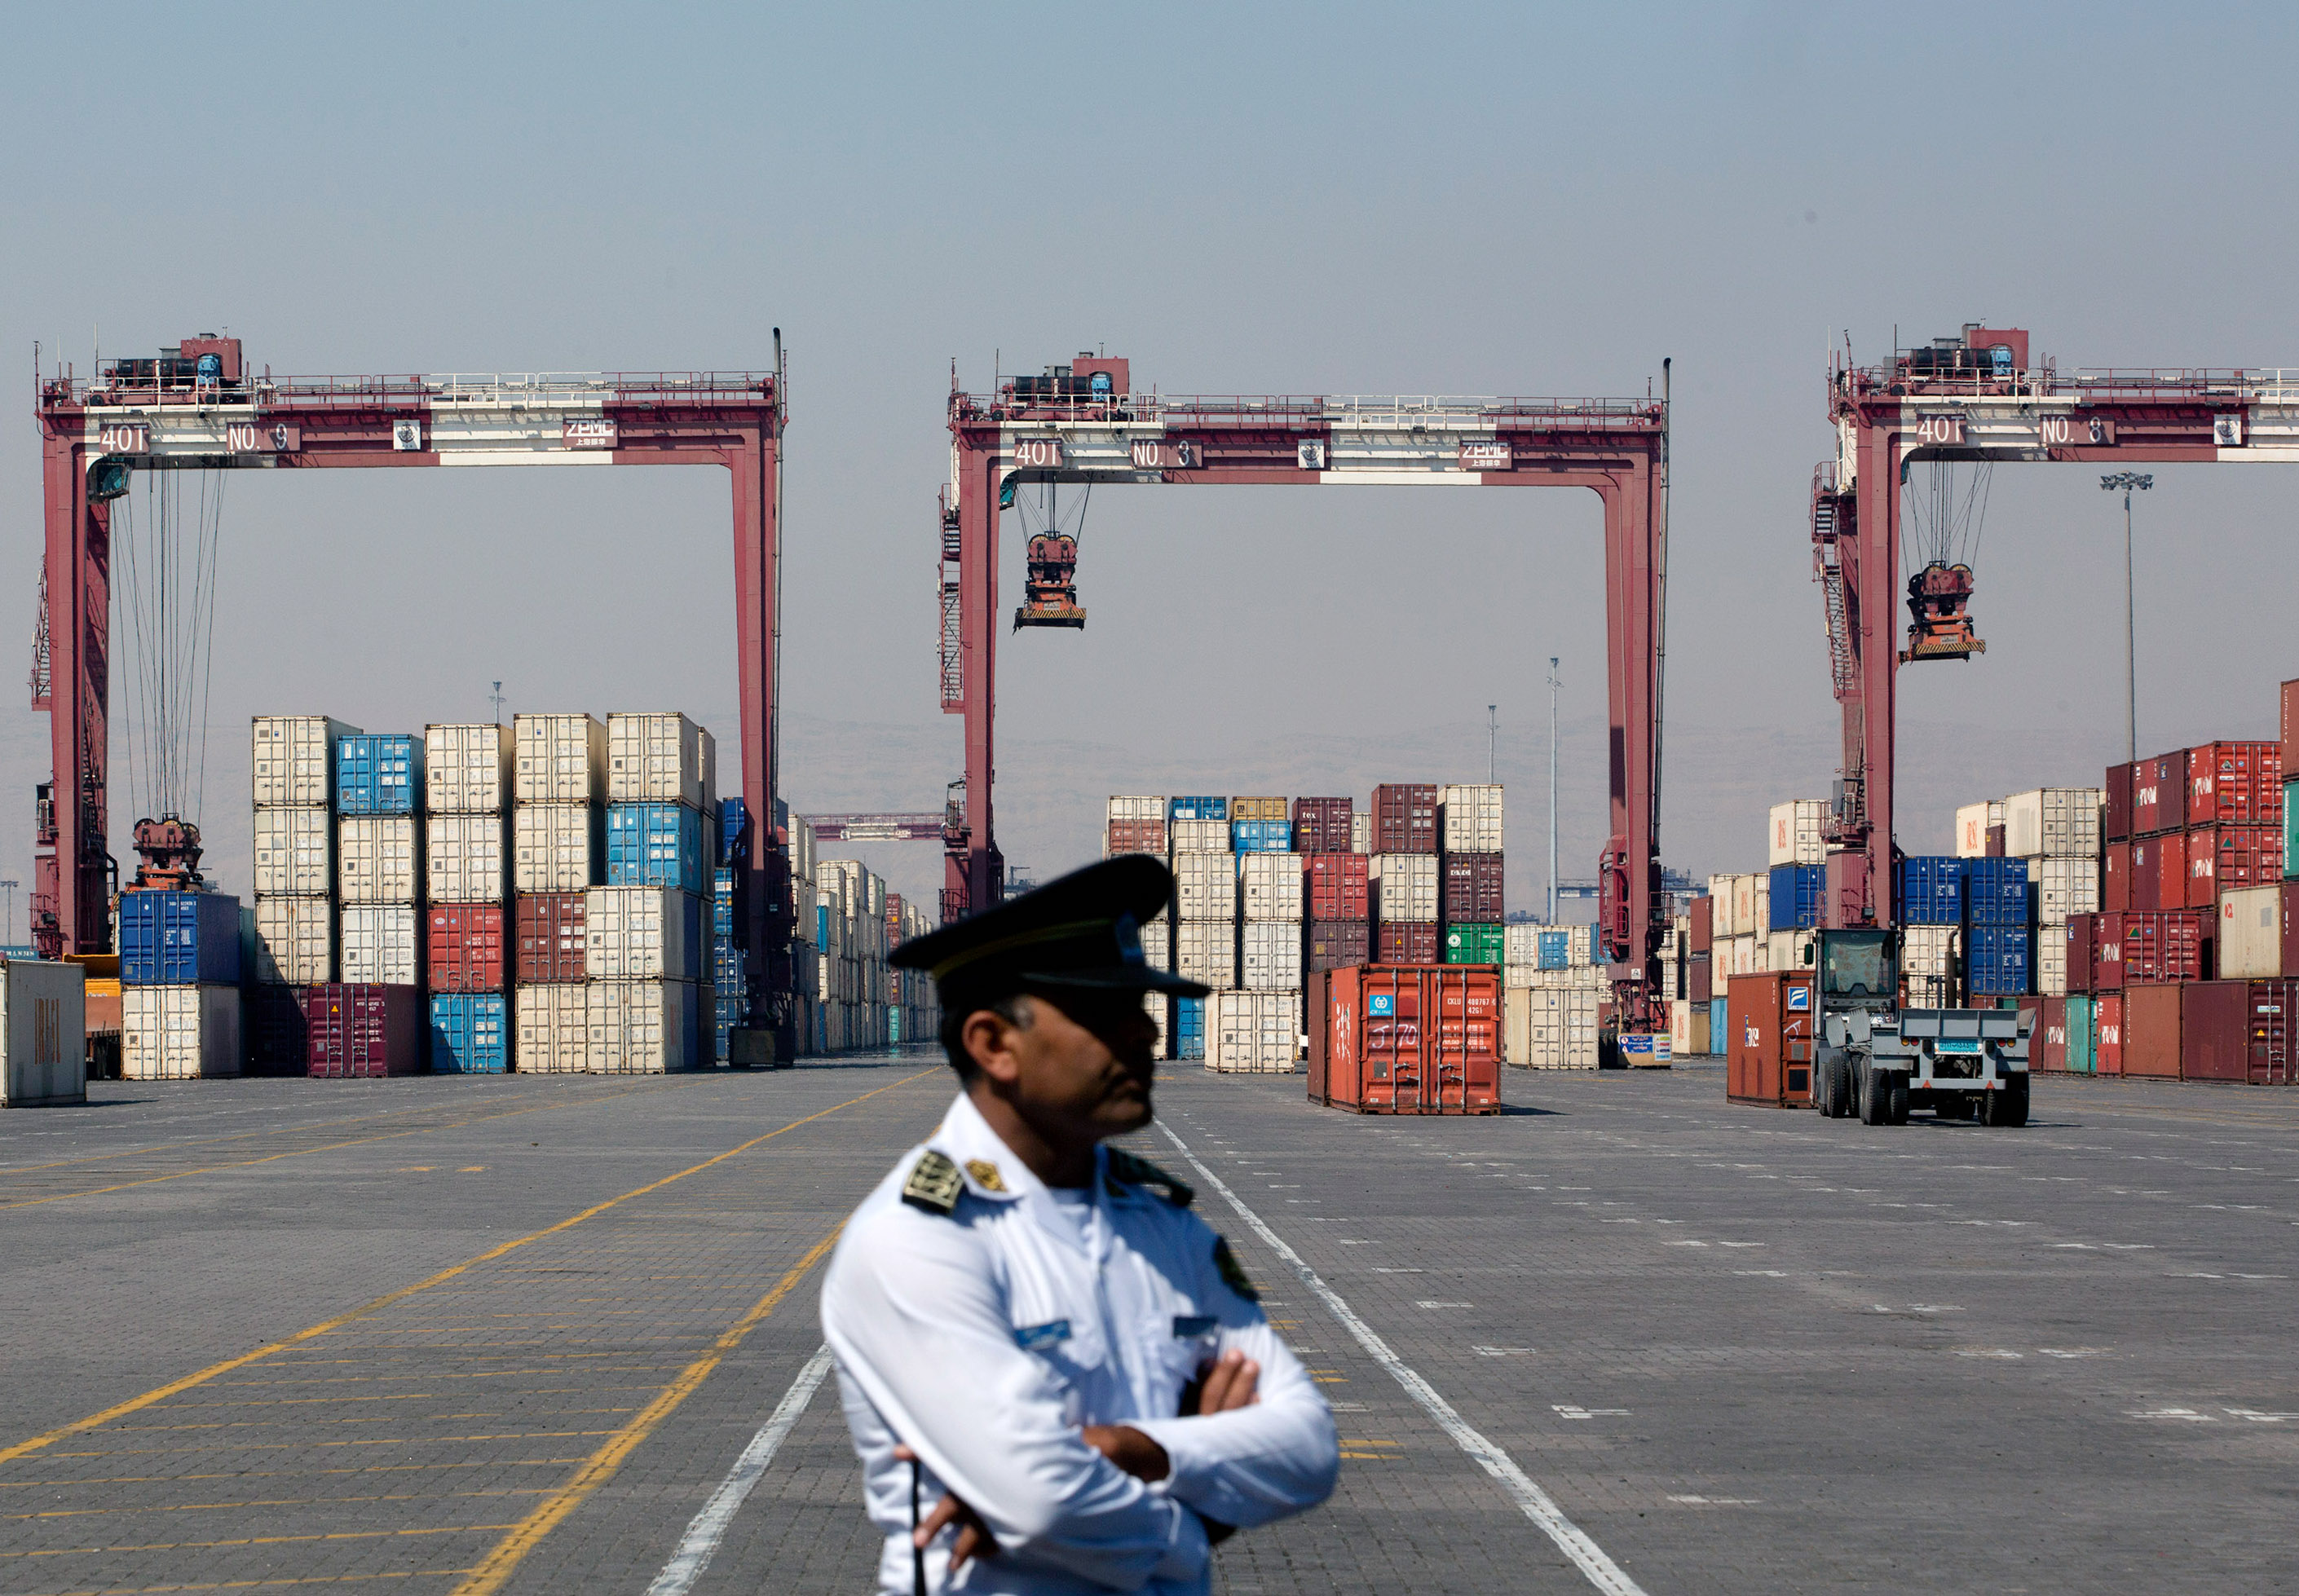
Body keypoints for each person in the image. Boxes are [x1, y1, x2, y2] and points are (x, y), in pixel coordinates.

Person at [820, 856, 1339, 1594]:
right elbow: (1040, 1497)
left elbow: (1310, 1446)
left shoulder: (1164, 1227)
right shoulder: (919, 1239)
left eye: (1141, 1009)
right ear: (993, 1044)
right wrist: (1193, 1521)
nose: (1146, 1034)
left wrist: (1138, 1449)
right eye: (1104, 1015)